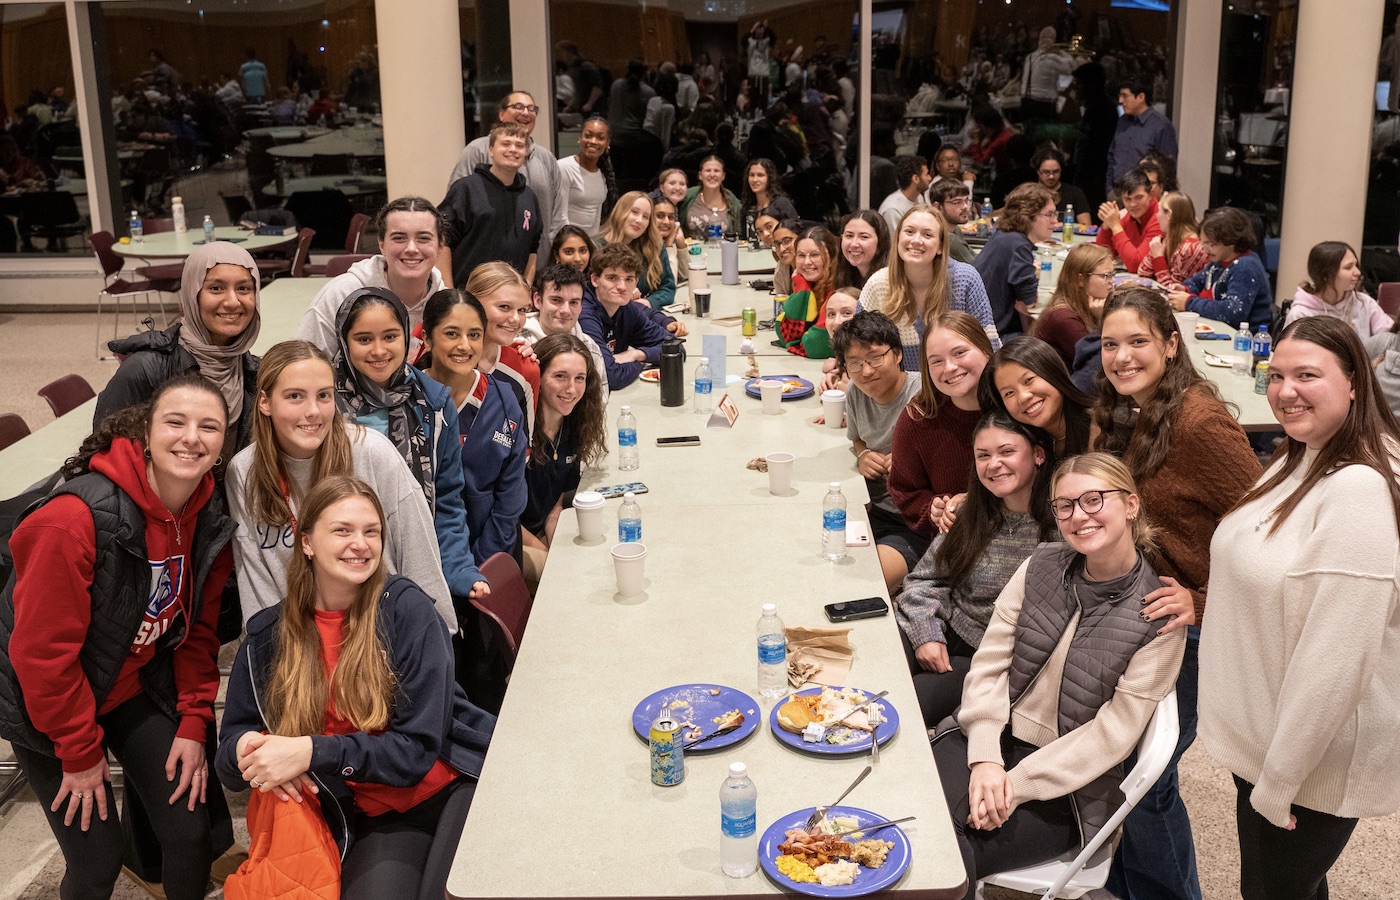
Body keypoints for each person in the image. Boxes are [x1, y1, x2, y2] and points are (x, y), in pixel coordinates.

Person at [1, 376, 234, 900]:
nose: (191, 437)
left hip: (126, 683)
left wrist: (195, 719)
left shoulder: (206, 510)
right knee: (98, 856)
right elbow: (41, 657)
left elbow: (197, 631)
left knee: (190, 831)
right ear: (145, 433)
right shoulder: (72, 519)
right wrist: (81, 755)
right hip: (48, 702)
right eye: (175, 422)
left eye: (209, 426)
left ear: (224, 441)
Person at [216, 476, 495, 900]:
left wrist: (310, 751)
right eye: (342, 530)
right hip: (366, 812)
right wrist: (246, 749)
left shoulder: (406, 609)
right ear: (306, 542)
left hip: (450, 785)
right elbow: (228, 761)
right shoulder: (269, 635)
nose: (361, 544)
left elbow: (416, 751)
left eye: (371, 532)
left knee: (455, 892)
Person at [1199, 317, 1400, 900]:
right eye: (1277, 374)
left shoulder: (1358, 490)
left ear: (1355, 381)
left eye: (1308, 375)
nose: (1285, 391)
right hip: (1276, 743)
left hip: (1305, 762)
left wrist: (1279, 780)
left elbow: (1335, 662)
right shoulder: (1306, 455)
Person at [932, 452, 1187, 900]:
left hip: (1069, 791)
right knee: (907, 802)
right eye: (1065, 506)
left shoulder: (1159, 614)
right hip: (994, 741)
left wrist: (1017, 783)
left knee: (944, 852)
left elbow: (1113, 735)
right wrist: (987, 754)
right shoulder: (1041, 565)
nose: (1078, 516)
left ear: (1130, 505)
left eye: (1093, 500)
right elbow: (991, 662)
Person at [1092, 287, 1261, 900]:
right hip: (1145, 615)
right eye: (1111, 343)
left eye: (1138, 341)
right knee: (1126, 764)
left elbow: (1269, 526)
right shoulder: (1128, 411)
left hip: (1192, 629)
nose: (1122, 356)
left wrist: (1202, 598)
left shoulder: (1199, 420)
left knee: (1147, 773)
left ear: (1170, 343)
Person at [227, 341, 455, 626]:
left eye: (323, 395)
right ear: (265, 402)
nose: (313, 411)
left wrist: (437, 637)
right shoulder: (243, 472)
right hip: (298, 648)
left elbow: (420, 558)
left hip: (384, 634)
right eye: (295, 396)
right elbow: (256, 588)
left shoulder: (372, 452)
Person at [331, 288, 488, 604]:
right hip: (341, 567)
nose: (378, 350)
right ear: (344, 342)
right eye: (363, 339)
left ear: (406, 337)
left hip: (412, 563)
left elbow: (446, 499)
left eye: (390, 336)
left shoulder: (434, 404)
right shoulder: (324, 402)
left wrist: (458, 568)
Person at [898, 411, 1055, 726]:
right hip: (949, 626)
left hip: (994, 659)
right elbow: (923, 581)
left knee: (906, 706)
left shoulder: (1061, 524)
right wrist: (927, 632)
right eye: (983, 455)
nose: (993, 463)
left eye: (1007, 451)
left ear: (1038, 454)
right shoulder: (972, 510)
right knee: (876, 660)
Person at [98, 242, 262, 457]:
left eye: (243, 288)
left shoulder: (253, 373)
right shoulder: (145, 369)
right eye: (215, 288)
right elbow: (107, 457)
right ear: (192, 294)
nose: (232, 302)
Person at [421, 289, 527, 564]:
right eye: (452, 334)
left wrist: (483, 561)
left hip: (493, 549)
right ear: (427, 338)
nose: (465, 346)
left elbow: (511, 496)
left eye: (474, 335)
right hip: (426, 554)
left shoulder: (504, 400)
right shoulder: (409, 401)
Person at [835, 311, 926, 596]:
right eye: (855, 363)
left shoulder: (924, 393)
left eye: (875, 358)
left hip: (912, 522)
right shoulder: (856, 391)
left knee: (868, 583)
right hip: (869, 509)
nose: (867, 371)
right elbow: (858, 439)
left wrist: (909, 461)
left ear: (897, 354)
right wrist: (863, 456)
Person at [297, 197, 448, 362]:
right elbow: (302, 365)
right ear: (382, 245)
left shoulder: (445, 305)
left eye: (423, 238)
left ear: (440, 246)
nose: (411, 248)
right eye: (399, 238)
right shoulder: (341, 295)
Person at [888, 312, 995, 543]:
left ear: (985, 349)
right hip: (950, 543)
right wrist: (933, 508)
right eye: (936, 360)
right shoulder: (917, 419)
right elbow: (904, 490)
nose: (950, 367)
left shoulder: (1012, 407)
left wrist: (975, 500)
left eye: (960, 353)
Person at [859, 205, 998, 370]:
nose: (916, 240)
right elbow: (857, 342)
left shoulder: (965, 279)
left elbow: (988, 343)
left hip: (956, 381)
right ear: (897, 238)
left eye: (927, 234)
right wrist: (840, 367)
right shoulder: (878, 284)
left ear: (940, 246)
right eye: (909, 232)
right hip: (902, 388)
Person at [519, 334, 608, 584]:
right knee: (565, 579)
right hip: (510, 538)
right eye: (560, 376)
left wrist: (559, 542)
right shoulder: (518, 430)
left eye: (579, 378)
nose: (571, 389)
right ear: (538, 376)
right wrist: (548, 552)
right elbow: (502, 518)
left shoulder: (574, 425)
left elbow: (557, 504)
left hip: (541, 532)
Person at [448, 90, 567, 251]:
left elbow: (558, 212)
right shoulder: (477, 150)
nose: (525, 112)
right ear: (502, 114)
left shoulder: (546, 157)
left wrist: (553, 250)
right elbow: (457, 206)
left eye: (531, 109)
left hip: (538, 261)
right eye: (518, 106)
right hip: (485, 262)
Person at [438, 122, 542, 287]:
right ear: (491, 150)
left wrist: (526, 289)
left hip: (511, 299)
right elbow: (441, 242)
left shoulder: (529, 196)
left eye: (520, 145)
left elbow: (532, 249)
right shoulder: (465, 189)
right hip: (467, 296)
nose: (513, 149)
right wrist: (448, 292)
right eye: (506, 144)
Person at [981, 335, 1093, 469]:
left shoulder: (1103, 427)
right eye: (1009, 393)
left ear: (1053, 372)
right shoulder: (1021, 447)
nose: (1023, 397)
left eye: (1028, 380)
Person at [579, 242, 677, 390]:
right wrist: (641, 364)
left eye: (629, 279)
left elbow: (676, 348)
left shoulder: (626, 309)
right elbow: (610, 377)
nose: (622, 287)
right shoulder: (584, 313)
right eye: (612, 278)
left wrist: (637, 354)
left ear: (636, 282)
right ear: (595, 280)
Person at [973, 183, 1057, 340]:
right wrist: (1033, 275)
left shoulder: (1004, 235)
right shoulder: (1018, 245)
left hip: (982, 327)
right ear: (1028, 215)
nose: (1055, 221)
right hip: (996, 335)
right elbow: (1029, 301)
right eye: (1049, 214)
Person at [1168, 206, 1273, 330]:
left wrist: (1188, 302)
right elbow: (1197, 281)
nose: (1205, 249)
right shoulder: (1219, 261)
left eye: (1211, 244)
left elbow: (1232, 312)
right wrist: (1185, 288)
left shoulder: (1246, 267)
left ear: (1231, 242)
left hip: (1244, 340)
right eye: (1202, 242)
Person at [465, 262, 541, 433]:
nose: (515, 319)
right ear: (472, 302)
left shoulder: (526, 369)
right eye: (504, 307)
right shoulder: (436, 354)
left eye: (522, 310)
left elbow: (523, 449)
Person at [523, 263, 609, 401]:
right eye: (556, 300)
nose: (565, 310)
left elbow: (598, 404)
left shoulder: (590, 348)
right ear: (538, 300)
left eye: (574, 302)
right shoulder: (517, 344)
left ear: (581, 306)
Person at [1285, 240, 1393, 339]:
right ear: (1326, 275)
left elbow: (1390, 337)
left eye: (1356, 265)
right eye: (1348, 267)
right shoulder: (1301, 314)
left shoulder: (1364, 302)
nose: (1357, 272)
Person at [1034, 243, 1114, 367]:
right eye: (1106, 276)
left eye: (1113, 274)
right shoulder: (1064, 318)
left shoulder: (1081, 306)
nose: (1112, 281)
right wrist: (1102, 320)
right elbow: (1099, 363)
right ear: (1081, 280)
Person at [600, 190, 675, 310]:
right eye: (634, 212)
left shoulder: (654, 247)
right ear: (620, 212)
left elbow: (668, 287)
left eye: (645, 217)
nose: (639, 220)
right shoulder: (597, 249)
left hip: (641, 315)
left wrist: (649, 302)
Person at [1105, 79, 1178, 191]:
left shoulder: (1161, 125)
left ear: (1141, 97)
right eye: (1120, 96)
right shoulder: (1122, 121)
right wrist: (1109, 187)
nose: (1120, 101)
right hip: (1117, 191)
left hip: (1144, 194)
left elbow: (1167, 167)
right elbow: (1112, 156)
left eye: (1125, 96)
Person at [776, 226, 839, 356]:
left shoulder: (837, 291)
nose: (807, 262)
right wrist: (802, 286)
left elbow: (815, 345)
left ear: (832, 257)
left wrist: (801, 287)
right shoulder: (808, 286)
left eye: (815, 255)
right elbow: (785, 334)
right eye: (801, 255)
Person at [556, 116, 615, 238]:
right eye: (588, 135)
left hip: (590, 242)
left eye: (600, 138)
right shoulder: (564, 167)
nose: (593, 141)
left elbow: (596, 218)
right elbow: (561, 217)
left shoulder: (603, 173)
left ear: (607, 143)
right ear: (580, 138)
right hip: (566, 240)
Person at [1095, 168, 1161, 274]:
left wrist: (1116, 226)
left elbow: (1137, 266)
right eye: (1127, 199)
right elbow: (1100, 256)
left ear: (1151, 195)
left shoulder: (1160, 219)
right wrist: (1107, 226)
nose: (1133, 205)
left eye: (1138, 197)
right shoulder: (1129, 218)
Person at [1138, 190, 1210, 286]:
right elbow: (1142, 273)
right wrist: (1155, 251)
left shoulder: (1190, 248)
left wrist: (1158, 258)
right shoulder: (1168, 239)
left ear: (1169, 215)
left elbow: (1172, 292)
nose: (1157, 216)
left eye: (1159, 211)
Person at [678, 155, 742, 239]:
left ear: (723, 176)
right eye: (708, 170)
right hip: (691, 251)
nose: (712, 174)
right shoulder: (688, 195)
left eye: (716, 171)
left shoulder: (732, 200)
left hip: (722, 250)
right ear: (700, 175)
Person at [1019, 27, 1072, 122]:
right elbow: (1070, 70)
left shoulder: (1029, 57)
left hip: (1026, 103)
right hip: (1045, 106)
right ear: (1054, 40)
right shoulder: (1054, 59)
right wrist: (1061, 52)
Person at [1032, 147, 1090, 224]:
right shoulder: (1029, 194)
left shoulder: (1075, 193)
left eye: (1055, 172)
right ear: (1038, 172)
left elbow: (1086, 226)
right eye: (1046, 172)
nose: (1051, 176)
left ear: (1061, 171)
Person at [834, 210, 889, 291]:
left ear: (880, 242)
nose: (853, 244)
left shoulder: (888, 280)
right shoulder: (840, 275)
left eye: (864, 237)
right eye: (849, 235)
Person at [879, 155, 932, 233]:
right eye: (926, 174)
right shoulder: (893, 209)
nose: (930, 178)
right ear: (915, 178)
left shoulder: (919, 197)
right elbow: (895, 242)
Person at [929, 180, 977, 264]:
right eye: (957, 202)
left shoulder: (955, 229)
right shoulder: (948, 239)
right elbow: (979, 268)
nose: (965, 206)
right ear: (937, 206)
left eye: (966, 200)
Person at [741, 157, 798, 226]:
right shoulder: (748, 205)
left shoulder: (782, 203)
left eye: (760, 175)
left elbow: (795, 230)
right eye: (751, 175)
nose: (754, 180)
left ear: (770, 178)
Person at [771, 224, 797, 295]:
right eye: (777, 244)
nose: (781, 249)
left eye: (787, 241)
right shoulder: (781, 268)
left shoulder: (811, 268)